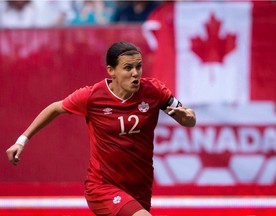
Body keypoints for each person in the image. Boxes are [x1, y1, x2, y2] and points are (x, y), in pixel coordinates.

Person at [6, 41, 196, 216]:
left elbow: (188, 119)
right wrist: (21, 141)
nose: (135, 73)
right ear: (111, 71)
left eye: (138, 67)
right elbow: (55, 108)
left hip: (140, 186)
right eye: (128, 68)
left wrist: (188, 117)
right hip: (103, 186)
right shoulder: (92, 96)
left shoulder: (154, 91)